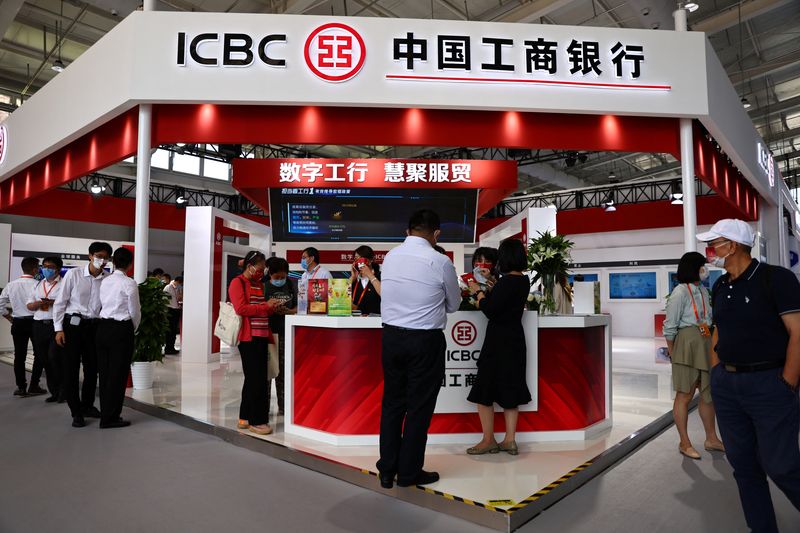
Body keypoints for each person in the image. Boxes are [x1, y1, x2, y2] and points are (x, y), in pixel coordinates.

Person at [697, 219, 800, 532]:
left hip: (769, 384)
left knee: (781, 466)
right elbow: (718, 332)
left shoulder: (776, 279)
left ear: (735, 245)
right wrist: (716, 372)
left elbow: (797, 333)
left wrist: (787, 383)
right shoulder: (720, 285)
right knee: (743, 466)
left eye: (716, 243)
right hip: (728, 387)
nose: (711, 250)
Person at [377, 209, 461, 489]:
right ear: (436, 234)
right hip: (425, 341)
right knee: (418, 409)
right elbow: (454, 305)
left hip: (391, 338)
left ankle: (387, 470)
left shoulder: (390, 256)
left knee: (392, 406)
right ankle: (409, 473)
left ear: (408, 230)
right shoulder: (440, 261)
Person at [465, 238, 532, 456]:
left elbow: (491, 310)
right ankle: (510, 440)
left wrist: (478, 291)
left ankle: (488, 440)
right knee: (511, 388)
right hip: (515, 339)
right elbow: (506, 303)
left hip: (497, 342)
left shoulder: (506, 282)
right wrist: (493, 285)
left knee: (485, 390)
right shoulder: (523, 281)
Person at [663, 251, 724, 460]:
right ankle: (684, 442)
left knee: (707, 393)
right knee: (685, 394)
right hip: (686, 345)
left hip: (705, 341)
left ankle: (711, 438)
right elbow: (669, 327)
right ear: (693, 268)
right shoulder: (679, 293)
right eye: (701, 266)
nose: (705, 270)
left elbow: (707, 319)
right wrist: (673, 354)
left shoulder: (703, 291)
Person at [53, 241, 112, 428]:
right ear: (90, 256)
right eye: (99, 256)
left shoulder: (107, 279)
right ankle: (75, 411)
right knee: (70, 369)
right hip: (73, 326)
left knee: (92, 369)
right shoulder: (74, 274)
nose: (102, 261)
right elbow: (60, 302)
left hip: (95, 327)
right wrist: (58, 329)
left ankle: (87, 405)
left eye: (105, 257)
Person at [229, 251, 282, 435]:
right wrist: (265, 306)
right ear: (249, 266)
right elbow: (241, 308)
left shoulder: (258, 284)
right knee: (257, 380)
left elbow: (259, 309)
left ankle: (244, 418)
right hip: (248, 338)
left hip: (261, 336)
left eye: (263, 269)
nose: (261, 272)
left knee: (253, 378)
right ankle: (257, 420)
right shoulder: (237, 283)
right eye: (259, 269)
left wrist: (270, 307)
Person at [93, 248, 140, 429]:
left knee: (104, 374)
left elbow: (99, 304)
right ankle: (111, 417)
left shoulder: (105, 281)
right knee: (118, 374)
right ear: (130, 264)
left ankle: (106, 413)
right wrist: (132, 328)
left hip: (103, 327)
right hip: (121, 329)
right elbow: (135, 311)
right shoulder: (129, 283)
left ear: (113, 262)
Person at [0, 257, 42, 397]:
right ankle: (34, 385)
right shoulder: (38, 284)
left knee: (19, 356)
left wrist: (9, 317)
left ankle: (21, 387)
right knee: (39, 354)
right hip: (36, 322)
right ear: (35, 269)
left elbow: (0, 305)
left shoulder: (11, 285)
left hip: (18, 322)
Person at [27, 257, 66, 403]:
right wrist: (37, 303)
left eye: (51, 267)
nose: (47, 269)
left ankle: (63, 390)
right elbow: (29, 305)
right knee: (44, 359)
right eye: (45, 266)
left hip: (56, 325)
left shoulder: (63, 284)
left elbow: (68, 304)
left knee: (55, 357)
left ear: (58, 269)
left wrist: (53, 302)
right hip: (38, 325)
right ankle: (54, 391)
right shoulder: (38, 285)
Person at [264, 257, 297, 416]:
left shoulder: (291, 285)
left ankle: (284, 406)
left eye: (283, 277)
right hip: (268, 333)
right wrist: (270, 308)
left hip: (286, 332)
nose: (280, 280)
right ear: (270, 273)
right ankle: (264, 406)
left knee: (284, 371)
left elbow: (299, 306)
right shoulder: (263, 286)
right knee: (268, 371)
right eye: (277, 277)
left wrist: (289, 311)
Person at [349, 245, 381, 315]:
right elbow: (339, 295)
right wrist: (352, 277)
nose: (358, 262)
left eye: (361, 258)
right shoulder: (354, 280)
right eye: (356, 259)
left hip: (376, 322)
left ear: (371, 260)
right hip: (355, 322)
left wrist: (369, 275)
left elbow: (384, 294)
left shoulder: (380, 276)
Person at [298, 247, 331, 313]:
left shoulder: (324, 273)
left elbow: (331, 295)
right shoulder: (304, 275)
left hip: (320, 310)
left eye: (304, 258)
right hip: (306, 310)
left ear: (312, 258)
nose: (302, 260)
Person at [163, 275, 182, 355]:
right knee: (170, 331)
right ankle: (168, 348)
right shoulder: (168, 287)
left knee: (174, 331)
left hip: (176, 310)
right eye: (180, 283)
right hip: (170, 310)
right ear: (178, 281)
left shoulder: (176, 288)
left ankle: (171, 347)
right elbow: (164, 299)